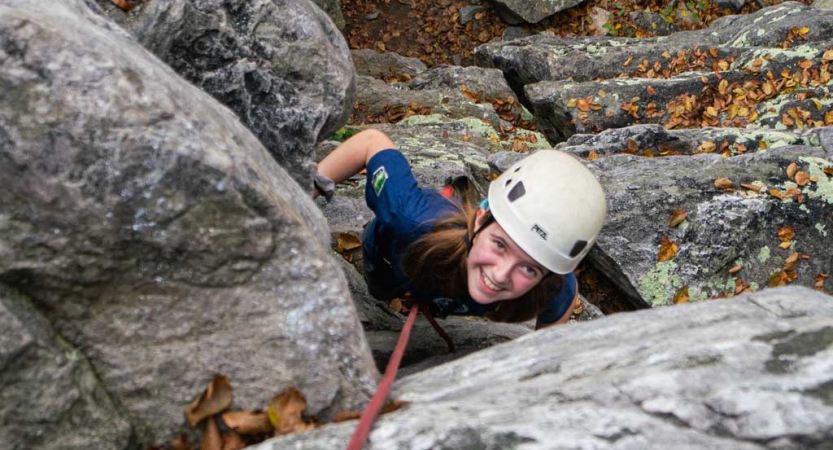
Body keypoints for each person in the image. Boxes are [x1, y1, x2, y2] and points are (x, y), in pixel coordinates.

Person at [314, 129, 607, 329]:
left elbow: (564, 296)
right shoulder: (412, 218)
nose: (500, 274)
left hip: (436, 274)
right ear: (480, 219)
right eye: (500, 245)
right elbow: (370, 142)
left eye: (530, 269)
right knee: (379, 290)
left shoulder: (551, 285)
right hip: (391, 256)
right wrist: (302, 192)